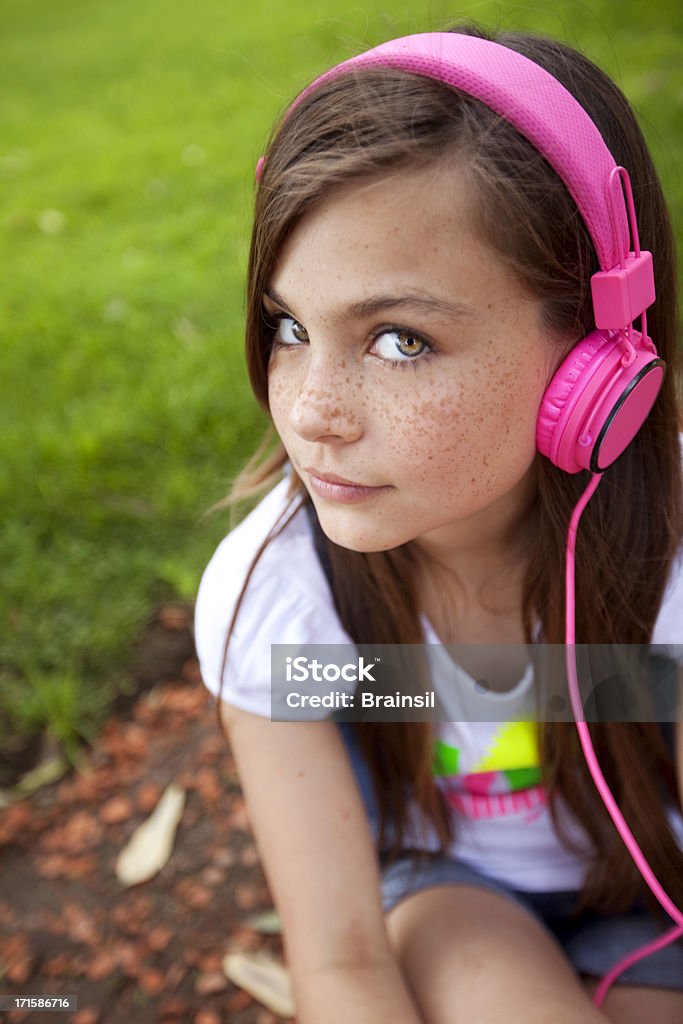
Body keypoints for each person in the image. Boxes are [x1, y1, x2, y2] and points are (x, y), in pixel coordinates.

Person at [194, 22, 683, 1024]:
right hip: (452, 901)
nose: (311, 411)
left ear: (594, 358)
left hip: (657, 898)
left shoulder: (667, 557)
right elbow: (339, 966)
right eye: (288, 327)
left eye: (399, 339)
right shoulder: (282, 600)